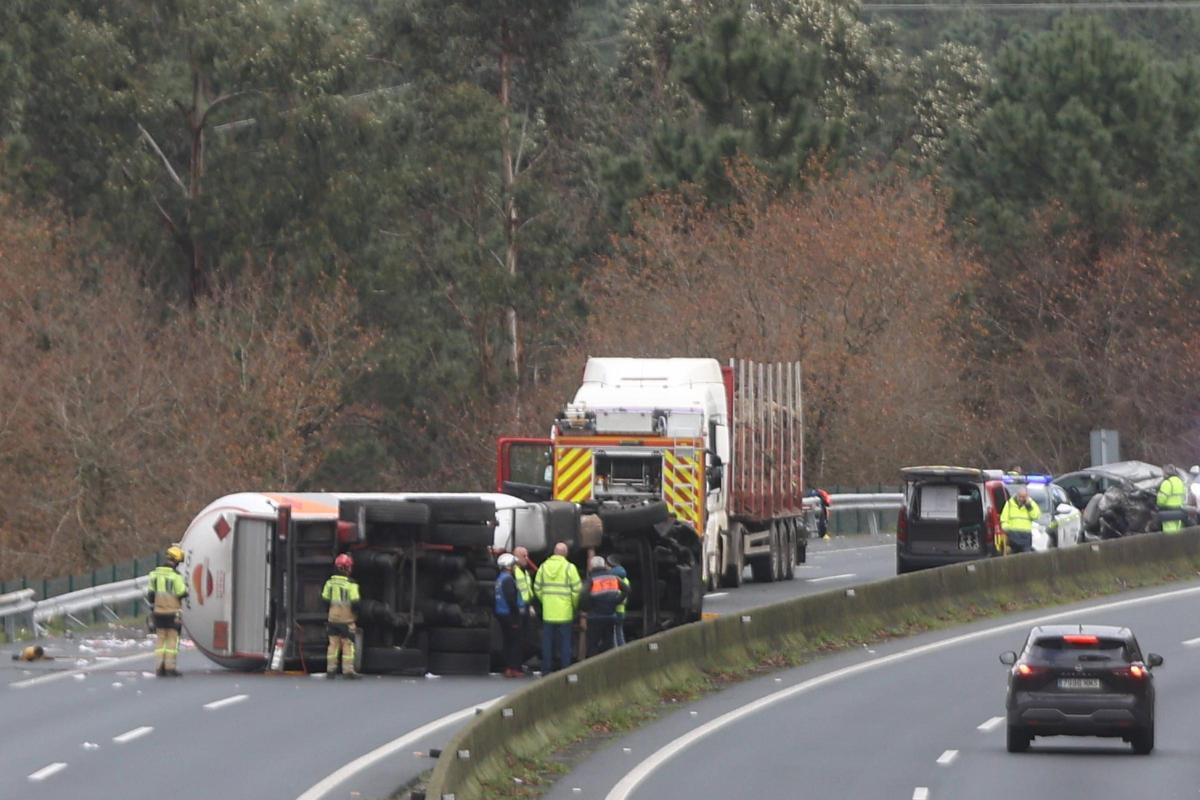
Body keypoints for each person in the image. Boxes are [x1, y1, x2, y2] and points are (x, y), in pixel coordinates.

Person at [533, 542, 580, 674]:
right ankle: (565, 669)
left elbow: (537, 587)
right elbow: (577, 590)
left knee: (547, 642)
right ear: (565, 553)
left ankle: (546, 669)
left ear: (554, 552)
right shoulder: (569, 568)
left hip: (548, 612)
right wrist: (574, 605)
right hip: (565, 612)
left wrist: (545, 600)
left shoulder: (543, 567)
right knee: (565, 642)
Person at [146, 545, 189, 677]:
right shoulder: (175, 577)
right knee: (171, 640)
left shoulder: (154, 574)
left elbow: (151, 595)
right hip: (172, 612)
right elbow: (182, 593)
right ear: (176, 561)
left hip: (158, 612)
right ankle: (170, 668)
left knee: (160, 640)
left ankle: (159, 667)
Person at [321, 553, 361, 679]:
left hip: (333, 619)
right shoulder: (351, 584)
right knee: (348, 645)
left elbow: (324, 599)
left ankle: (330, 670)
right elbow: (355, 602)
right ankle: (348, 671)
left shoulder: (329, 583)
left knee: (333, 645)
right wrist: (357, 614)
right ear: (346, 568)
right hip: (347, 620)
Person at [580, 556, 628, 657]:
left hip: (595, 617)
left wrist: (586, 608)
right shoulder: (613, 578)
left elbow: (583, 594)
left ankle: (593, 665)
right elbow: (626, 589)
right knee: (609, 644)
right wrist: (616, 601)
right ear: (604, 565)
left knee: (593, 645)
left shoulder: (591, 580)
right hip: (610, 615)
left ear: (592, 566)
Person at [495, 553, 526, 678]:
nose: (514, 567)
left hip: (501, 613)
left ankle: (508, 667)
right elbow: (511, 599)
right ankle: (514, 668)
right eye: (513, 565)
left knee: (507, 641)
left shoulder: (500, 578)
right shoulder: (508, 580)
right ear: (508, 566)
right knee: (515, 642)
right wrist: (516, 616)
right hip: (510, 615)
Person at [1000, 487, 1041, 554]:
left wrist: (1029, 507)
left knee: (1026, 556)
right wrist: (1007, 529)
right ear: (1017, 495)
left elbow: (1036, 516)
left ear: (1027, 496)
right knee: (1013, 556)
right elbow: (1004, 518)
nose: (1021, 499)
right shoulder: (1010, 504)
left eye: (1024, 497)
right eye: (1020, 497)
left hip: (1026, 536)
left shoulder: (1031, 504)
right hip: (1013, 535)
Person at [1157, 466, 1187, 534]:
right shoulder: (1180, 481)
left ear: (1166, 473)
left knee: (1169, 530)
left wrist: (1159, 504)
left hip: (1168, 510)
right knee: (1178, 529)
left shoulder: (1167, 483)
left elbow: (1161, 499)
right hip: (1178, 509)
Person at [609, 559, 630, 647]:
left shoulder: (614, 581)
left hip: (614, 610)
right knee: (619, 631)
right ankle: (623, 648)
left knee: (613, 633)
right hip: (622, 610)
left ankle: (615, 650)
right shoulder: (626, 580)